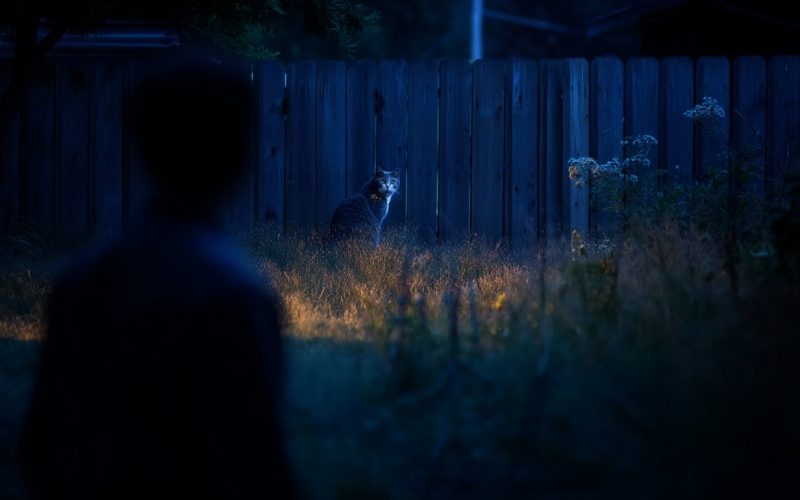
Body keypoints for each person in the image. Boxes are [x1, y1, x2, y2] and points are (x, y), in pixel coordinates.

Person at [18, 60, 294, 499]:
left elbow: (41, 447)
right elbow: (253, 463)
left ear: (141, 148)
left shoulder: (81, 280)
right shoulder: (235, 295)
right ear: (240, 155)